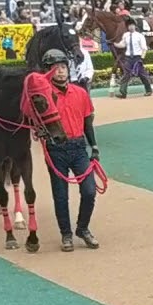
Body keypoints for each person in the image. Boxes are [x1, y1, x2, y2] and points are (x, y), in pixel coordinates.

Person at [40, 48, 101, 251]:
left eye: (63, 67)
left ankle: (82, 228)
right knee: (60, 195)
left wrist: (94, 147)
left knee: (90, 191)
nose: (61, 72)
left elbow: (87, 122)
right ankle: (65, 234)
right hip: (55, 150)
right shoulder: (43, 96)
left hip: (78, 148)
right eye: (56, 68)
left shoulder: (81, 93)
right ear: (48, 71)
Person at [113, 15, 153, 98]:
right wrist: (114, 44)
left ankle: (148, 90)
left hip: (137, 58)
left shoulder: (140, 36)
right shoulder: (125, 35)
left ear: (135, 26)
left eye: (132, 25)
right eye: (129, 25)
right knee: (126, 75)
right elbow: (122, 44)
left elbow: (144, 48)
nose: (130, 27)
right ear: (127, 27)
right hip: (128, 58)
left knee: (142, 74)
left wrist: (142, 58)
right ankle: (123, 92)